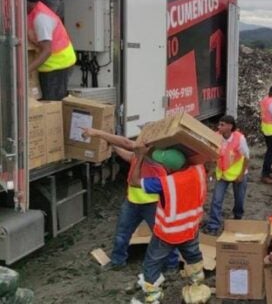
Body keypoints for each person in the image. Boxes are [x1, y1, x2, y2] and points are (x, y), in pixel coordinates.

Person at [80, 128, 179, 272]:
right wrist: (113, 146)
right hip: (133, 201)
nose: (140, 139)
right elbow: (129, 156)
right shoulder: (142, 154)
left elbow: (127, 143)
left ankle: (171, 265)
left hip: (152, 203)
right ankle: (117, 262)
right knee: (122, 234)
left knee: (162, 236)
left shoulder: (156, 154)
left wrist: (98, 133)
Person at [129, 145, 210, 304]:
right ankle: (197, 288)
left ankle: (153, 298)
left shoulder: (165, 183)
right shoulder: (198, 171)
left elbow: (134, 181)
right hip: (190, 228)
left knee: (152, 264)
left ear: (168, 167)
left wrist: (139, 158)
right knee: (194, 258)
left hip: (168, 233)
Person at [26, 0, 76, 101]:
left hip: (58, 65)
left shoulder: (41, 19)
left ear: (25, 1)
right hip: (50, 64)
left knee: (51, 105)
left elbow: (47, 51)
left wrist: (25, 71)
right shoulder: (31, 11)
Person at [202, 116, 249, 235]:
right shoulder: (216, 136)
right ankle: (213, 225)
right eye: (219, 124)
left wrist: (241, 175)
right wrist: (210, 172)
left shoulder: (239, 138)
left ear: (230, 126)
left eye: (222, 125)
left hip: (238, 174)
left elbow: (247, 158)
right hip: (222, 174)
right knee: (216, 200)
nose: (219, 127)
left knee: (239, 199)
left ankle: (238, 218)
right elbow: (212, 155)